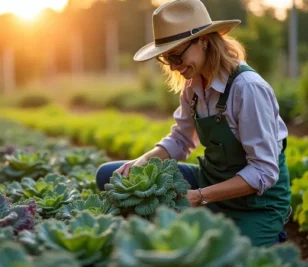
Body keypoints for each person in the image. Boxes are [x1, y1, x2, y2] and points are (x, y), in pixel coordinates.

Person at [95, 0, 291, 247]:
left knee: (229, 257)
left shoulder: (248, 89)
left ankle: (266, 235)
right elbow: (181, 140)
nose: (175, 67)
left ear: (203, 41)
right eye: (167, 59)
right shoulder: (193, 87)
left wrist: (199, 196)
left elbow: (264, 172)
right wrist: (142, 161)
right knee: (109, 175)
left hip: (255, 203)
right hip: (209, 183)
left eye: (177, 55)